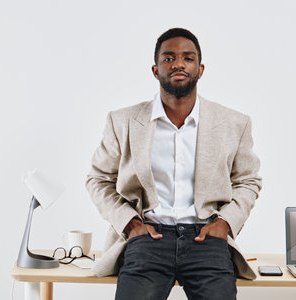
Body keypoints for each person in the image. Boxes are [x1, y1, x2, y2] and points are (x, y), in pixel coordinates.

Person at [86, 27, 262, 300]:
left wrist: (225, 224)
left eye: (187, 58)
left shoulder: (234, 123)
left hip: (206, 238)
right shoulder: (123, 121)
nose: (178, 63)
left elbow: (248, 180)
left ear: (200, 69)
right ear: (156, 70)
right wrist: (130, 224)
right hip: (148, 238)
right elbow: (98, 180)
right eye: (168, 58)